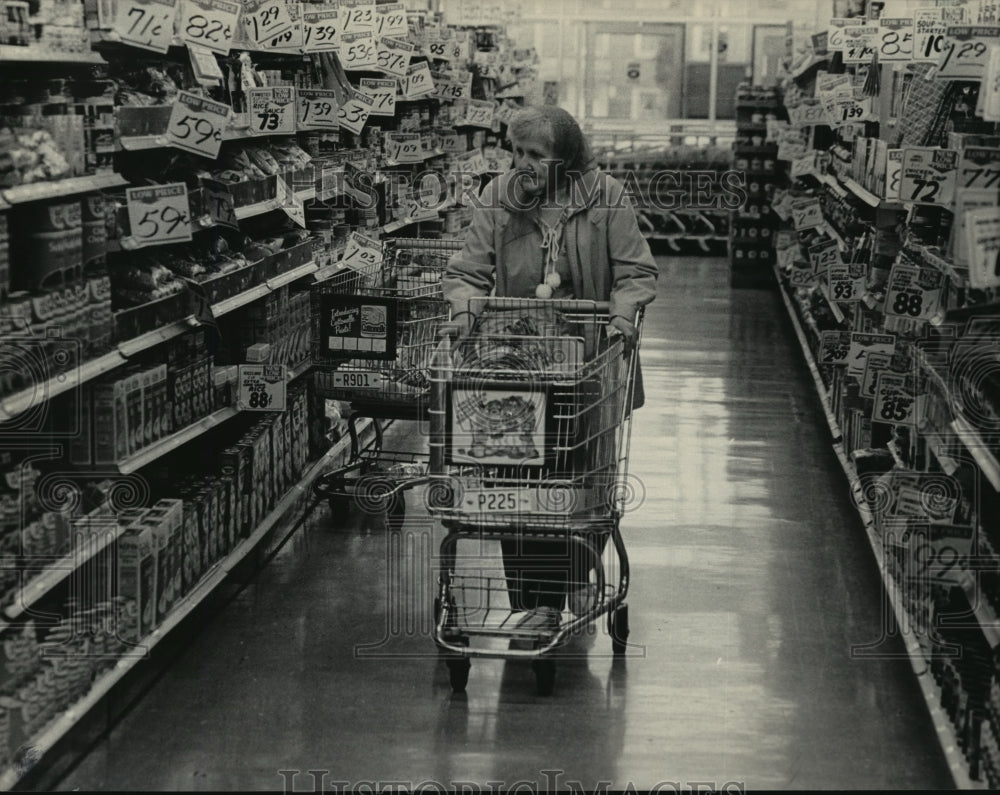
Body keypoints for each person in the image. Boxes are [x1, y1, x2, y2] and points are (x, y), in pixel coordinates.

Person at [442, 105, 658, 630]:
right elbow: (469, 271)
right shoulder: (497, 197)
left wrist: (623, 319)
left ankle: (573, 579)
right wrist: (466, 312)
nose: (521, 164)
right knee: (516, 479)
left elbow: (635, 272)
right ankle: (536, 602)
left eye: (535, 155)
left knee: (586, 478)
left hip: (592, 364)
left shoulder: (606, 197)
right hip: (519, 362)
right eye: (515, 151)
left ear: (567, 159)